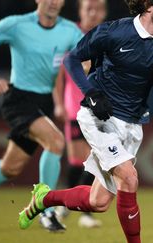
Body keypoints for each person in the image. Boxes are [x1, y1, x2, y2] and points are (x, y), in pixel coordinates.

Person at [18, 0, 153, 242]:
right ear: (149, 6)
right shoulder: (114, 32)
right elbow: (72, 60)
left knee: (97, 202)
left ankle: (43, 199)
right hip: (98, 117)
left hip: (132, 122)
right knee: (129, 179)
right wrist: (91, 93)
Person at [0, 0, 83, 232]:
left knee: (10, 168)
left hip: (44, 103)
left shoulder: (70, 30)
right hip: (18, 99)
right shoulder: (17, 24)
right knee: (56, 142)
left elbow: (86, 57)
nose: (53, 2)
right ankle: (46, 212)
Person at [53, 0, 107, 228]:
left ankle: (83, 211)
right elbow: (57, 74)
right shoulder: (69, 34)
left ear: (104, 12)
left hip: (102, 107)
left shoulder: (109, 35)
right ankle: (65, 205)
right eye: (89, 8)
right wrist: (58, 104)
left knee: (99, 160)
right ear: (81, 10)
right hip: (75, 105)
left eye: (98, 9)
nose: (93, 13)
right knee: (77, 161)